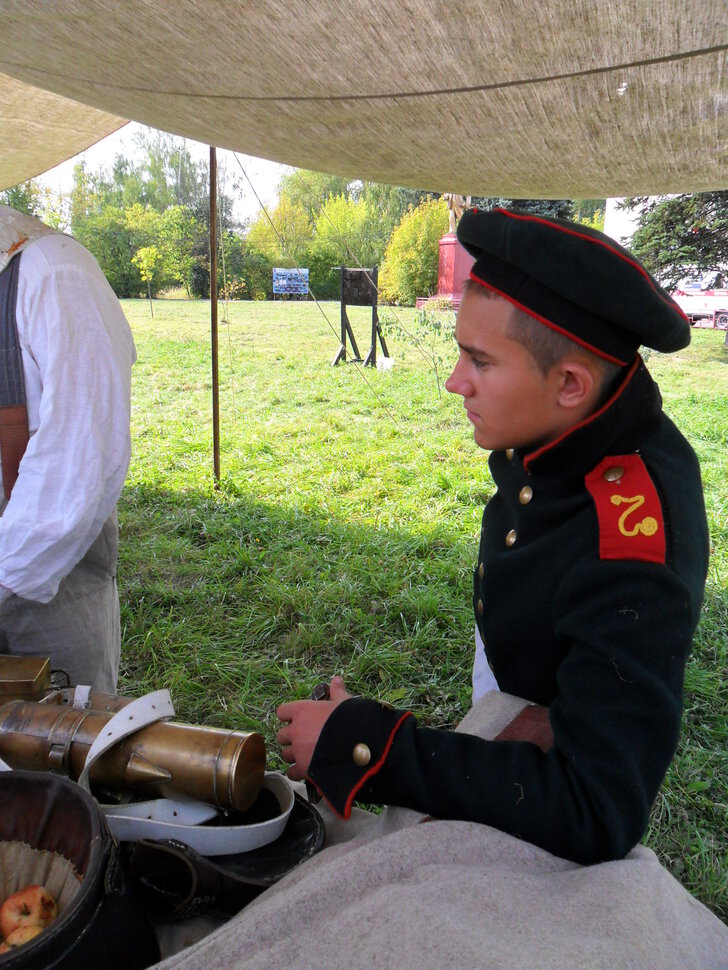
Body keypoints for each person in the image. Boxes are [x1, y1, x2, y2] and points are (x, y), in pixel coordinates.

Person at [277, 207, 710, 866]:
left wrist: (371, 747)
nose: (454, 381)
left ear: (570, 384)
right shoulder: (578, 426)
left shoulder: (630, 546)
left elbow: (594, 805)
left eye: (479, 360)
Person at [0, 204, 135, 693]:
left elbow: (83, 453)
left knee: (60, 743)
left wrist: (4, 574)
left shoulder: (52, 269)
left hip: (46, 572)